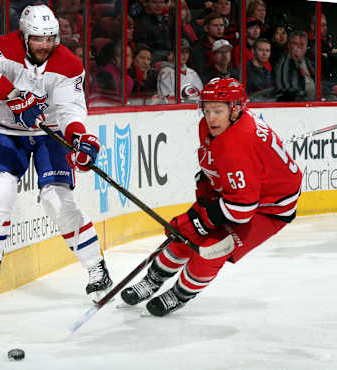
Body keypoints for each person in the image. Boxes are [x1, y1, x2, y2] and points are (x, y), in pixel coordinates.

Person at [0, 4, 113, 304]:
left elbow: (71, 109)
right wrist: (15, 96)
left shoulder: (69, 64)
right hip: (5, 131)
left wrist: (79, 140)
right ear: (24, 35)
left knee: (57, 200)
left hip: (51, 134)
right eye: (37, 38)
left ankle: (96, 267)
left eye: (50, 38)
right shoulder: (4, 48)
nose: (45, 44)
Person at [120, 77, 303, 317]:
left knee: (212, 247)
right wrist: (204, 188)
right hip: (239, 193)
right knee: (183, 236)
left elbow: (243, 207)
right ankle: (153, 280)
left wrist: (198, 220)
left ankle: (180, 293)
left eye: (218, 110)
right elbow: (217, 165)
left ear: (235, 109)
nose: (211, 117)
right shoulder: (212, 127)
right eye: (207, 110)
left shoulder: (238, 144)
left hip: (269, 208)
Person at [157, 38, 203, 103]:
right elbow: (167, 98)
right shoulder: (165, 72)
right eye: (181, 52)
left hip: (193, 109)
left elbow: (200, 95)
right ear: (172, 53)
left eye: (187, 52)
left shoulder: (192, 73)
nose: (185, 55)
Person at [274, 30, 315, 101]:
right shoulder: (284, 64)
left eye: (302, 44)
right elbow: (286, 90)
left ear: (306, 47)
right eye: (295, 44)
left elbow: (318, 82)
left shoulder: (308, 62)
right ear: (289, 45)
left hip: (314, 102)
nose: (299, 47)